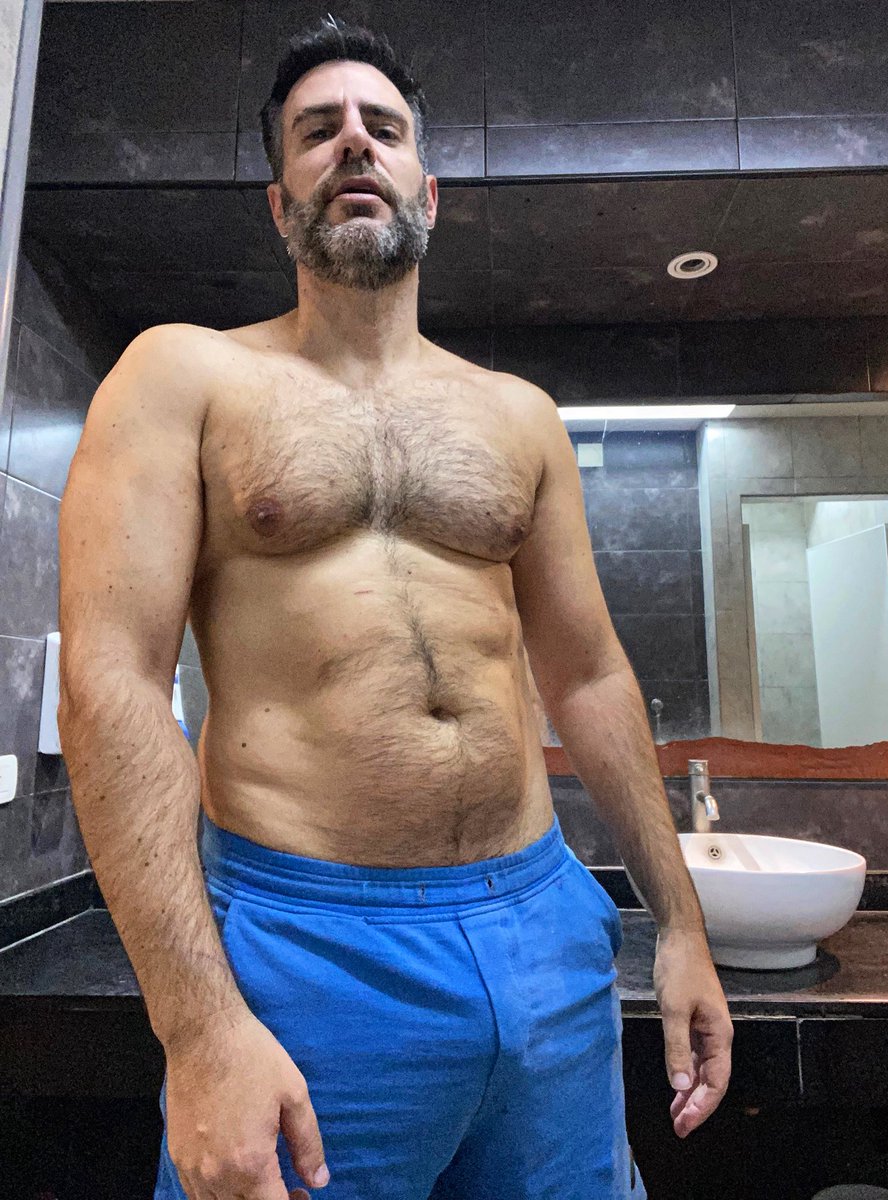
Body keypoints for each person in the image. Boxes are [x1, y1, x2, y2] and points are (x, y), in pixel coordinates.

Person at [57, 17, 733, 1200]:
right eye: (318, 131)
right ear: (281, 204)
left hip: (541, 928)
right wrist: (198, 1026)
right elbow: (111, 683)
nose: (354, 144)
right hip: (309, 947)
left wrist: (678, 924)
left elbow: (588, 675)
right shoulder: (183, 376)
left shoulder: (519, 416)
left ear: (429, 191)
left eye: (382, 126)